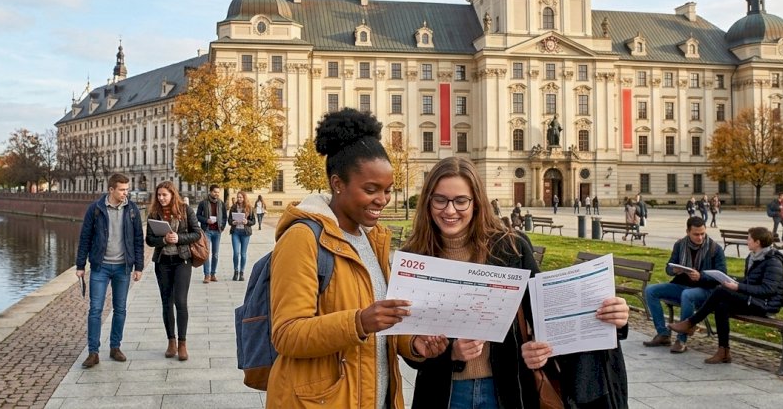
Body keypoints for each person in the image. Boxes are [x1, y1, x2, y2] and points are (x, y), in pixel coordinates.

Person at [404, 157, 630, 409]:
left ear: (476, 202)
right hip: (443, 393)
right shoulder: (415, 257)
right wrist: (450, 353)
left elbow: (549, 316)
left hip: (507, 391)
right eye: (440, 200)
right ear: (428, 201)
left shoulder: (510, 248)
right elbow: (407, 347)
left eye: (460, 201)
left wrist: (613, 318)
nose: (449, 210)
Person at [267, 108, 447, 409]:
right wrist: (359, 321)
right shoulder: (302, 238)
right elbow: (287, 334)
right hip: (321, 401)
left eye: (388, 190)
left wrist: (414, 343)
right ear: (338, 184)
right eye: (371, 189)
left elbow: (384, 322)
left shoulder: (373, 241)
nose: (382, 199)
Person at [669, 227, 783, 364]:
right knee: (721, 304)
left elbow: (768, 290)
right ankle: (723, 351)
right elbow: (751, 281)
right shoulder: (753, 257)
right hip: (752, 300)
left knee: (721, 291)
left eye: (749, 239)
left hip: (765, 304)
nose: (746, 241)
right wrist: (732, 280)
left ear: (757, 242)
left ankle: (691, 322)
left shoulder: (773, 262)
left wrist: (738, 286)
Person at [76, 173, 144, 368]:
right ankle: (93, 352)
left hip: (123, 267)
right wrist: (80, 265)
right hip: (100, 266)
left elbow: (138, 239)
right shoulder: (96, 209)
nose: (126, 193)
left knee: (120, 309)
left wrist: (138, 267)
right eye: (122, 190)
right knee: (95, 309)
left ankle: (115, 347)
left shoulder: (132, 210)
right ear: (111, 190)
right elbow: (85, 238)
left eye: (127, 189)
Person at [642, 216, 725, 354]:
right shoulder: (680, 245)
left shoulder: (715, 249)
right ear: (688, 232)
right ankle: (663, 334)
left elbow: (722, 275)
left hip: (705, 290)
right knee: (651, 290)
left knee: (687, 295)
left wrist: (701, 276)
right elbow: (668, 268)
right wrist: (674, 269)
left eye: (702, 234)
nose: (700, 238)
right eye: (696, 234)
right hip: (682, 286)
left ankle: (681, 340)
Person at [144, 181, 201, 361]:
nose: (161, 198)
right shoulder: (154, 213)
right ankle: (171, 341)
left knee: (181, 301)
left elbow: (197, 233)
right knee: (166, 302)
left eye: (164, 195)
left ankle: (183, 343)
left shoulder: (185, 210)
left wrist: (179, 238)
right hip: (162, 262)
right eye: (159, 195)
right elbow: (150, 240)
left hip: (182, 260)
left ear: (172, 194)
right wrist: (163, 241)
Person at [196, 184, 228, 283]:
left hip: (217, 231)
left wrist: (222, 227)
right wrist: (206, 220)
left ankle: (213, 274)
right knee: (206, 253)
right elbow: (197, 216)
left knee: (215, 254)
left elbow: (224, 217)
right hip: (207, 231)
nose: (216, 194)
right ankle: (207, 275)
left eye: (218, 192)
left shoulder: (221, 203)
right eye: (215, 192)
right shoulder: (203, 203)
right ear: (210, 192)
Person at [229, 191, 257, 281]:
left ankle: (241, 272)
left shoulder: (249, 208)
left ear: (244, 198)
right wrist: (232, 222)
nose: (239, 199)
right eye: (238, 197)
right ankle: (235, 271)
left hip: (245, 233)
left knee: (243, 254)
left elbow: (253, 221)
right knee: (236, 253)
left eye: (241, 197)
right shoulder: (233, 207)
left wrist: (247, 222)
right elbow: (229, 220)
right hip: (235, 232)